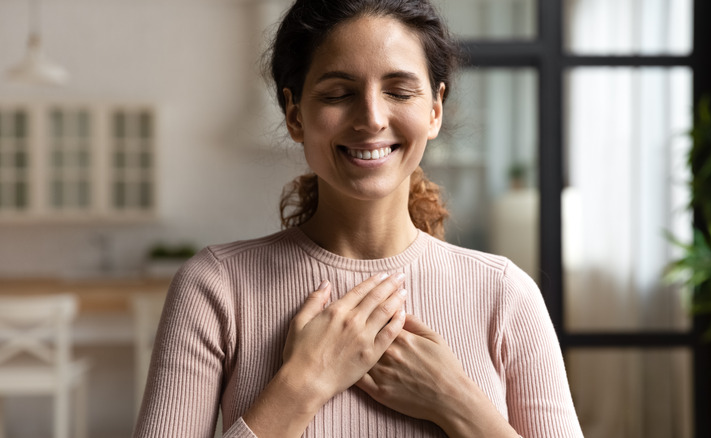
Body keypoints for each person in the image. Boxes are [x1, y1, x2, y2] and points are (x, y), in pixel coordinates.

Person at [133, 0, 583, 437]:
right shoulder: (215, 288)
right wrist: (302, 385)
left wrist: (456, 401)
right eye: (337, 94)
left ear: (435, 110)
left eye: (399, 91)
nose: (371, 117)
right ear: (295, 115)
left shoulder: (506, 295)